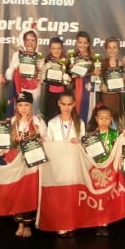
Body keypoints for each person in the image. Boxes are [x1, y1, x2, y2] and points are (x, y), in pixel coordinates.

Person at [46, 90, 85, 237]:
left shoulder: (80, 123)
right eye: (63, 104)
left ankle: (71, 223)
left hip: (73, 165)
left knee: (72, 195)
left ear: (74, 104)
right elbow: (48, 143)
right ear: (59, 104)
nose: (66, 107)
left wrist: (79, 142)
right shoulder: (52, 123)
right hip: (57, 165)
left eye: (69, 104)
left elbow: (85, 145)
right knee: (59, 196)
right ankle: (61, 224)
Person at [8, 91, 47, 238]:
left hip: (32, 162)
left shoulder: (38, 121)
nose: (23, 108)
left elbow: (46, 138)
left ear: (31, 106)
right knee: (18, 192)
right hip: (16, 162)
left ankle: (28, 224)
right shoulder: (12, 122)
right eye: (20, 105)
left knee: (29, 192)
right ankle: (19, 223)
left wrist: (42, 140)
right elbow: (6, 142)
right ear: (16, 107)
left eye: (26, 105)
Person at [86, 104, 118, 236]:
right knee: (96, 197)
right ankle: (96, 221)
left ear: (111, 119)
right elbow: (84, 152)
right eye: (101, 118)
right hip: (95, 170)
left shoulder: (115, 134)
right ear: (96, 119)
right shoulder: (90, 135)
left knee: (107, 197)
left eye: (107, 118)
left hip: (109, 170)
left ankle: (104, 222)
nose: (104, 121)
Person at [5, 28, 44, 114]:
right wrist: (16, 65)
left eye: (33, 40)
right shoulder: (17, 55)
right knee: (21, 111)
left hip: (35, 89)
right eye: (27, 39)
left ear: (36, 42)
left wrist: (38, 71)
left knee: (34, 111)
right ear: (23, 41)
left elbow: (42, 78)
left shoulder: (40, 56)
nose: (30, 42)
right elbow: (9, 75)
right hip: (21, 87)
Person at [70, 30, 101, 124]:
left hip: (89, 91)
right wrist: (71, 69)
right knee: (76, 113)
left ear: (88, 44)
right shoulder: (72, 57)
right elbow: (69, 77)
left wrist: (97, 73)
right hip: (76, 90)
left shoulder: (94, 58)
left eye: (85, 43)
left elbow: (99, 77)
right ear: (76, 43)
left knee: (89, 113)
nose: (82, 45)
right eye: (80, 42)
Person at [42, 37, 71, 123]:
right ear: (50, 49)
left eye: (58, 48)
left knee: (62, 115)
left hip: (62, 93)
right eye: (53, 48)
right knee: (49, 115)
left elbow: (71, 77)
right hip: (50, 93)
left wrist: (68, 78)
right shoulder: (46, 60)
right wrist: (43, 72)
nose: (56, 51)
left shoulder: (66, 61)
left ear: (62, 49)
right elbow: (42, 77)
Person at [100, 37, 125, 131]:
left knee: (118, 127)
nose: (112, 50)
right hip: (105, 99)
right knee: (105, 125)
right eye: (109, 47)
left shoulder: (122, 64)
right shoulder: (101, 64)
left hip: (117, 100)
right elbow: (98, 82)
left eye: (114, 47)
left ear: (118, 49)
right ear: (106, 49)